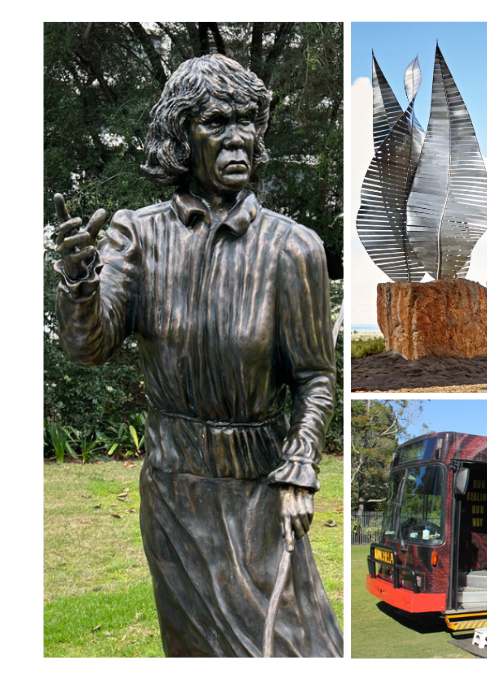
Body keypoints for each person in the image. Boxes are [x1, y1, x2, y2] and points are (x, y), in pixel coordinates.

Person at [53, 54, 343, 657]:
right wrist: (80, 286)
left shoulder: (294, 248)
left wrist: (301, 465)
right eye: (215, 121)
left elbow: (315, 377)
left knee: (296, 644)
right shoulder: (138, 236)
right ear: (182, 134)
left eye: (246, 120)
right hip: (174, 491)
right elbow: (89, 349)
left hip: (260, 487)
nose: (237, 136)